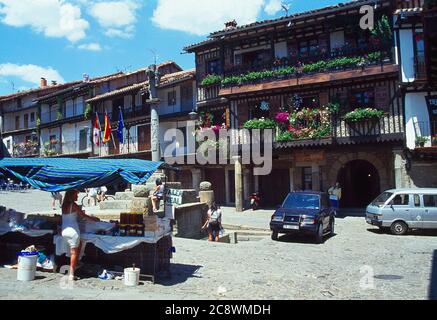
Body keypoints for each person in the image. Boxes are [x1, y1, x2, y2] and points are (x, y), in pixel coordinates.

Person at [61, 189, 100, 281]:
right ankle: (71, 274)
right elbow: (83, 216)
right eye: (76, 195)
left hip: (64, 230)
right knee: (74, 252)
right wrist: (94, 219)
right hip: (73, 231)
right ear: (71, 195)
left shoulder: (64, 205)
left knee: (77, 249)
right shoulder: (73, 205)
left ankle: (76, 264)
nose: (77, 197)